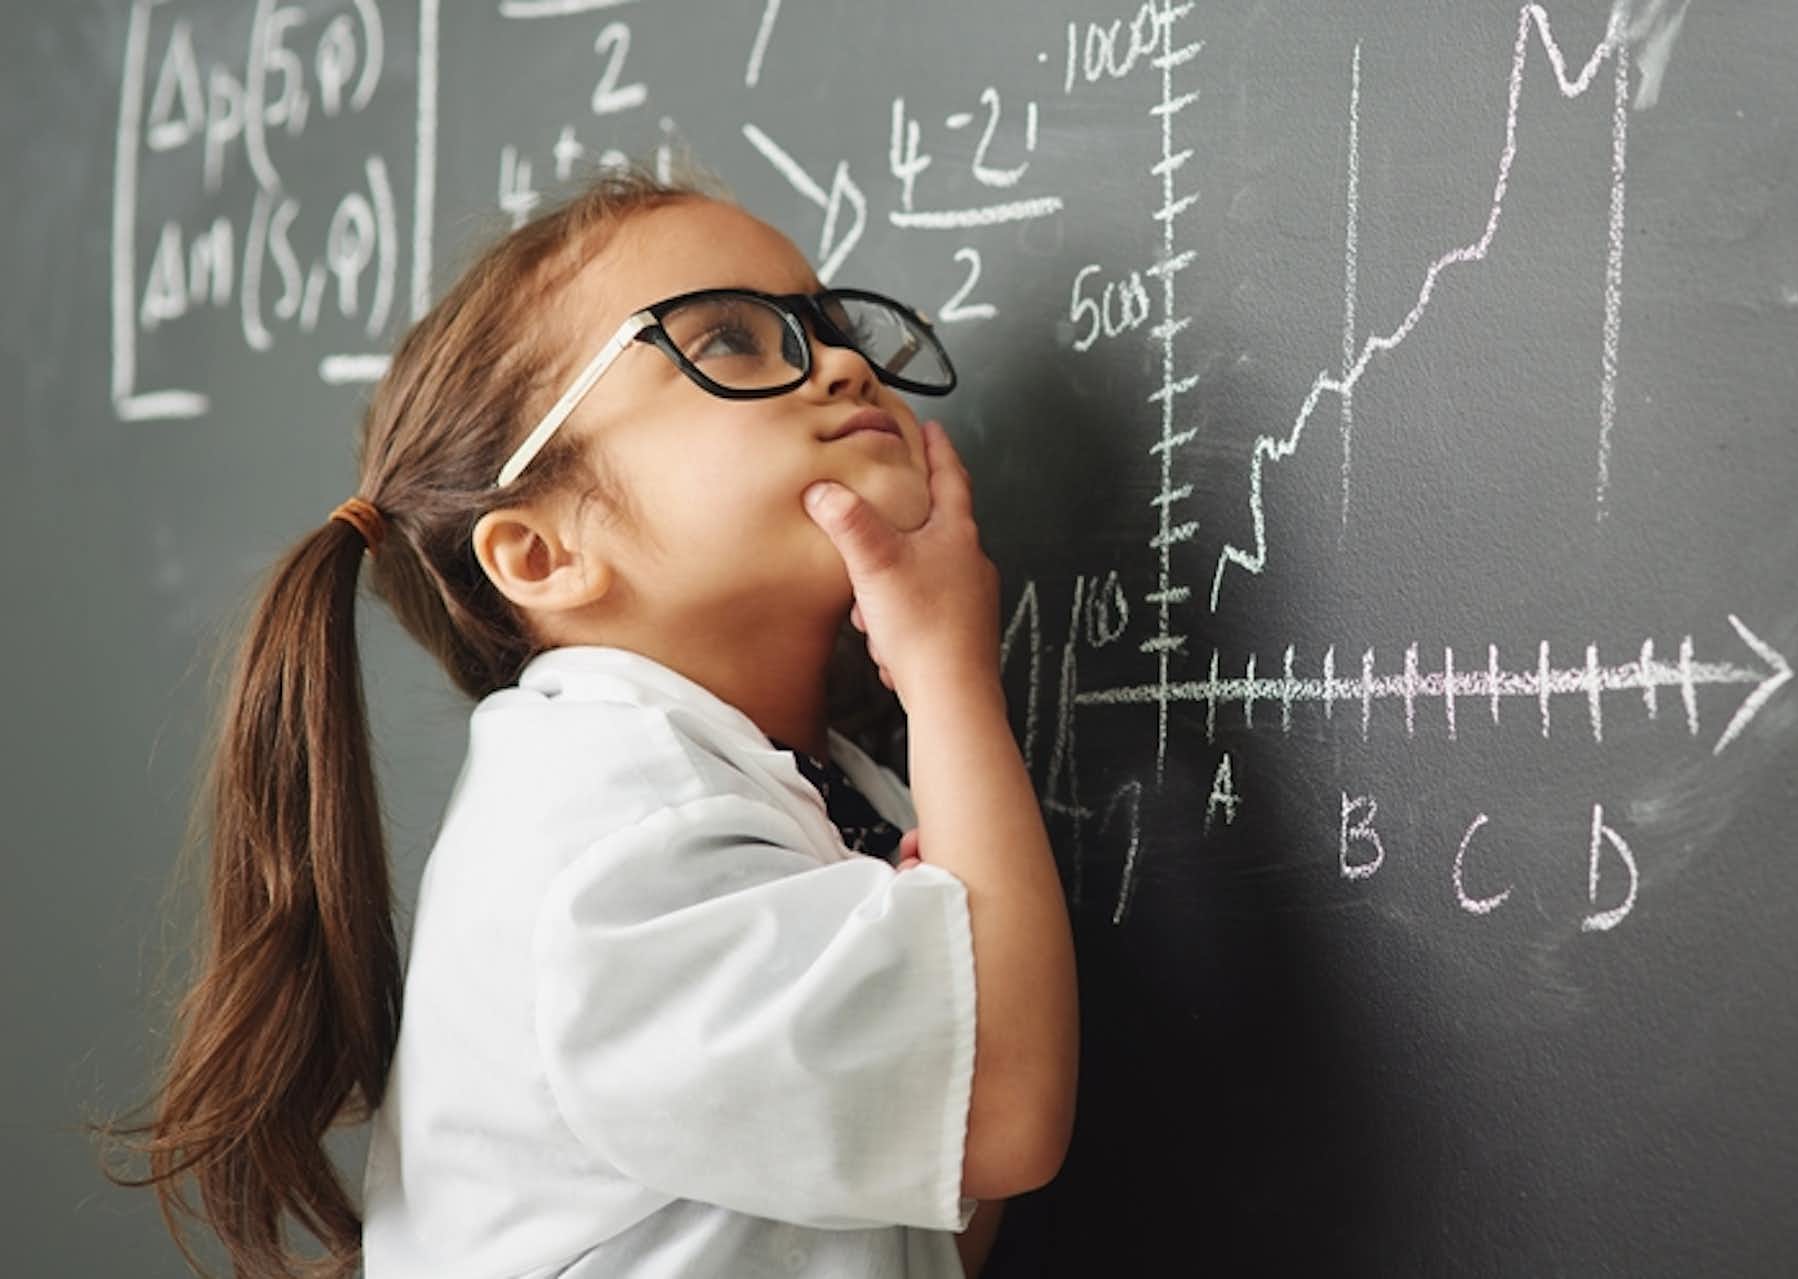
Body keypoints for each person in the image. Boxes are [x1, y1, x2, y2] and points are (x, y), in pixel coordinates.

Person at [92, 168, 1078, 1279]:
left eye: (830, 326)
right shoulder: (608, 835)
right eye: (730, 341)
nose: (844, 362)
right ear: (541, 554)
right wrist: (948, 668)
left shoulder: (810, 791)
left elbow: (937, 1187)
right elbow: (1003, 1109)